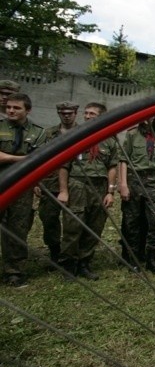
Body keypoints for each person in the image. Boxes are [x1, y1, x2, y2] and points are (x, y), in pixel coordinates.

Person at [56, 102, 118, 280]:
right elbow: (64, 166)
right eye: (86, 113)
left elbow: (112, 167)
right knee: (73, 225)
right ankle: (69, 264)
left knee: (95, 226)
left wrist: (110, 192)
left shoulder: (109, 140)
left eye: (93, 114)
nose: (88, 116)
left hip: (99, 187)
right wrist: (63, 190)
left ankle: (84, 262)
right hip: (77, 184)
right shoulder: (76, 136)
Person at [0, 93, 46, 287]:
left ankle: (14, 271)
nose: (10, 110)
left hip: (23, 186)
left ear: (28, 110)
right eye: (8, 107)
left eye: (16, 108)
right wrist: (21, 159)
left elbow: (40, 160)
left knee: (18, 228)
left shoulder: (38, 132)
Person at [118, 116, 155, 274]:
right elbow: (124, 159)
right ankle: (133, 259)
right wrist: (123, 184)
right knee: (132, 221)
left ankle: (151, 258)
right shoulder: (132, 134)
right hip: (135, 180)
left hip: (152, 182)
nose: (148, 119)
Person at [36, 101, 79, 268]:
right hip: (51, 183)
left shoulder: (84, 132)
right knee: (49, 219)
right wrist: (36, 182)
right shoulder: (48, 134)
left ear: (76, 113)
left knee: (73, 222)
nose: (66, 115)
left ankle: (70, 255)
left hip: (76, 183)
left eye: (69, 112)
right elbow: (39, 159)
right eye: (62, 112)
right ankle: (54, 251)